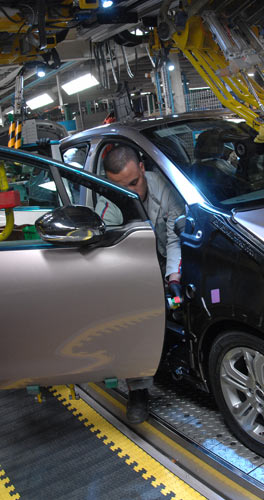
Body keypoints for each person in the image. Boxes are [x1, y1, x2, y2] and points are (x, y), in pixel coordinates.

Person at [96, 145, 185, 424]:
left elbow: (174, 238)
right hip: (131, 270)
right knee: (132, 320)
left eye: (135, 182)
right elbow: (108, 256)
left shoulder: (164, 189)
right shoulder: (108, 206)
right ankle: (138, 390)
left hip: (165, 258)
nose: (132, 192)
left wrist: (173, 278)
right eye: (122, 186)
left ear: (143, 169)